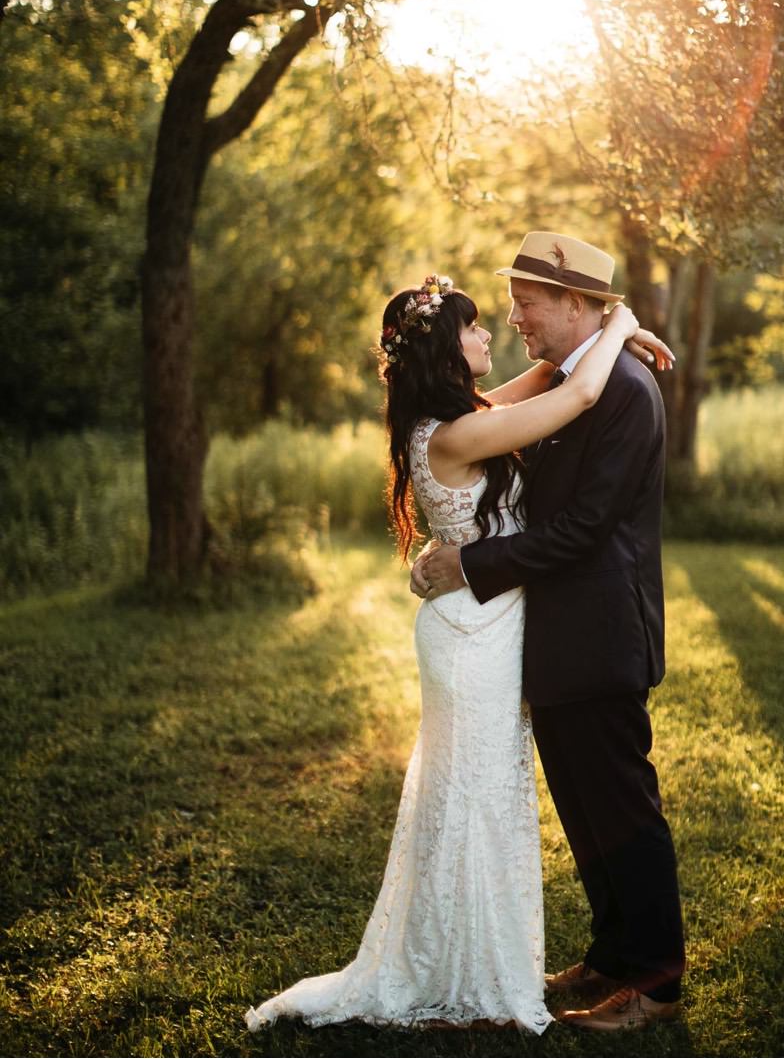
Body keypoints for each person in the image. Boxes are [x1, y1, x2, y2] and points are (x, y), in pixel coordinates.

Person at [245, 269, 671, 1033]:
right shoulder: (458, 429)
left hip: (500, 623)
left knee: (535, 798)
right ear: (447, 349)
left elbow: (556, 378)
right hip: (476, 634)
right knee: (479, 796)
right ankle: (493, 958)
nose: (499, 328)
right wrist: (616, 325)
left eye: (516, 310)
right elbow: (567, 394)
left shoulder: (464, 413)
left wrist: (612, 328)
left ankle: (633, 974)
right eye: (478, 325)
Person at [410, 230, 688, 1033]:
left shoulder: (627, 390)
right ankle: (613, 954)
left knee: (625, 808)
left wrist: (471, 562)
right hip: (554, 637)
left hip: (602, 633)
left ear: (576, 303)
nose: (515, 316)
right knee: (584, 807)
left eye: (527, 303)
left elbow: (584, 528)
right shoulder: (574, 378)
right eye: (511, 303)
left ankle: (657, 985)